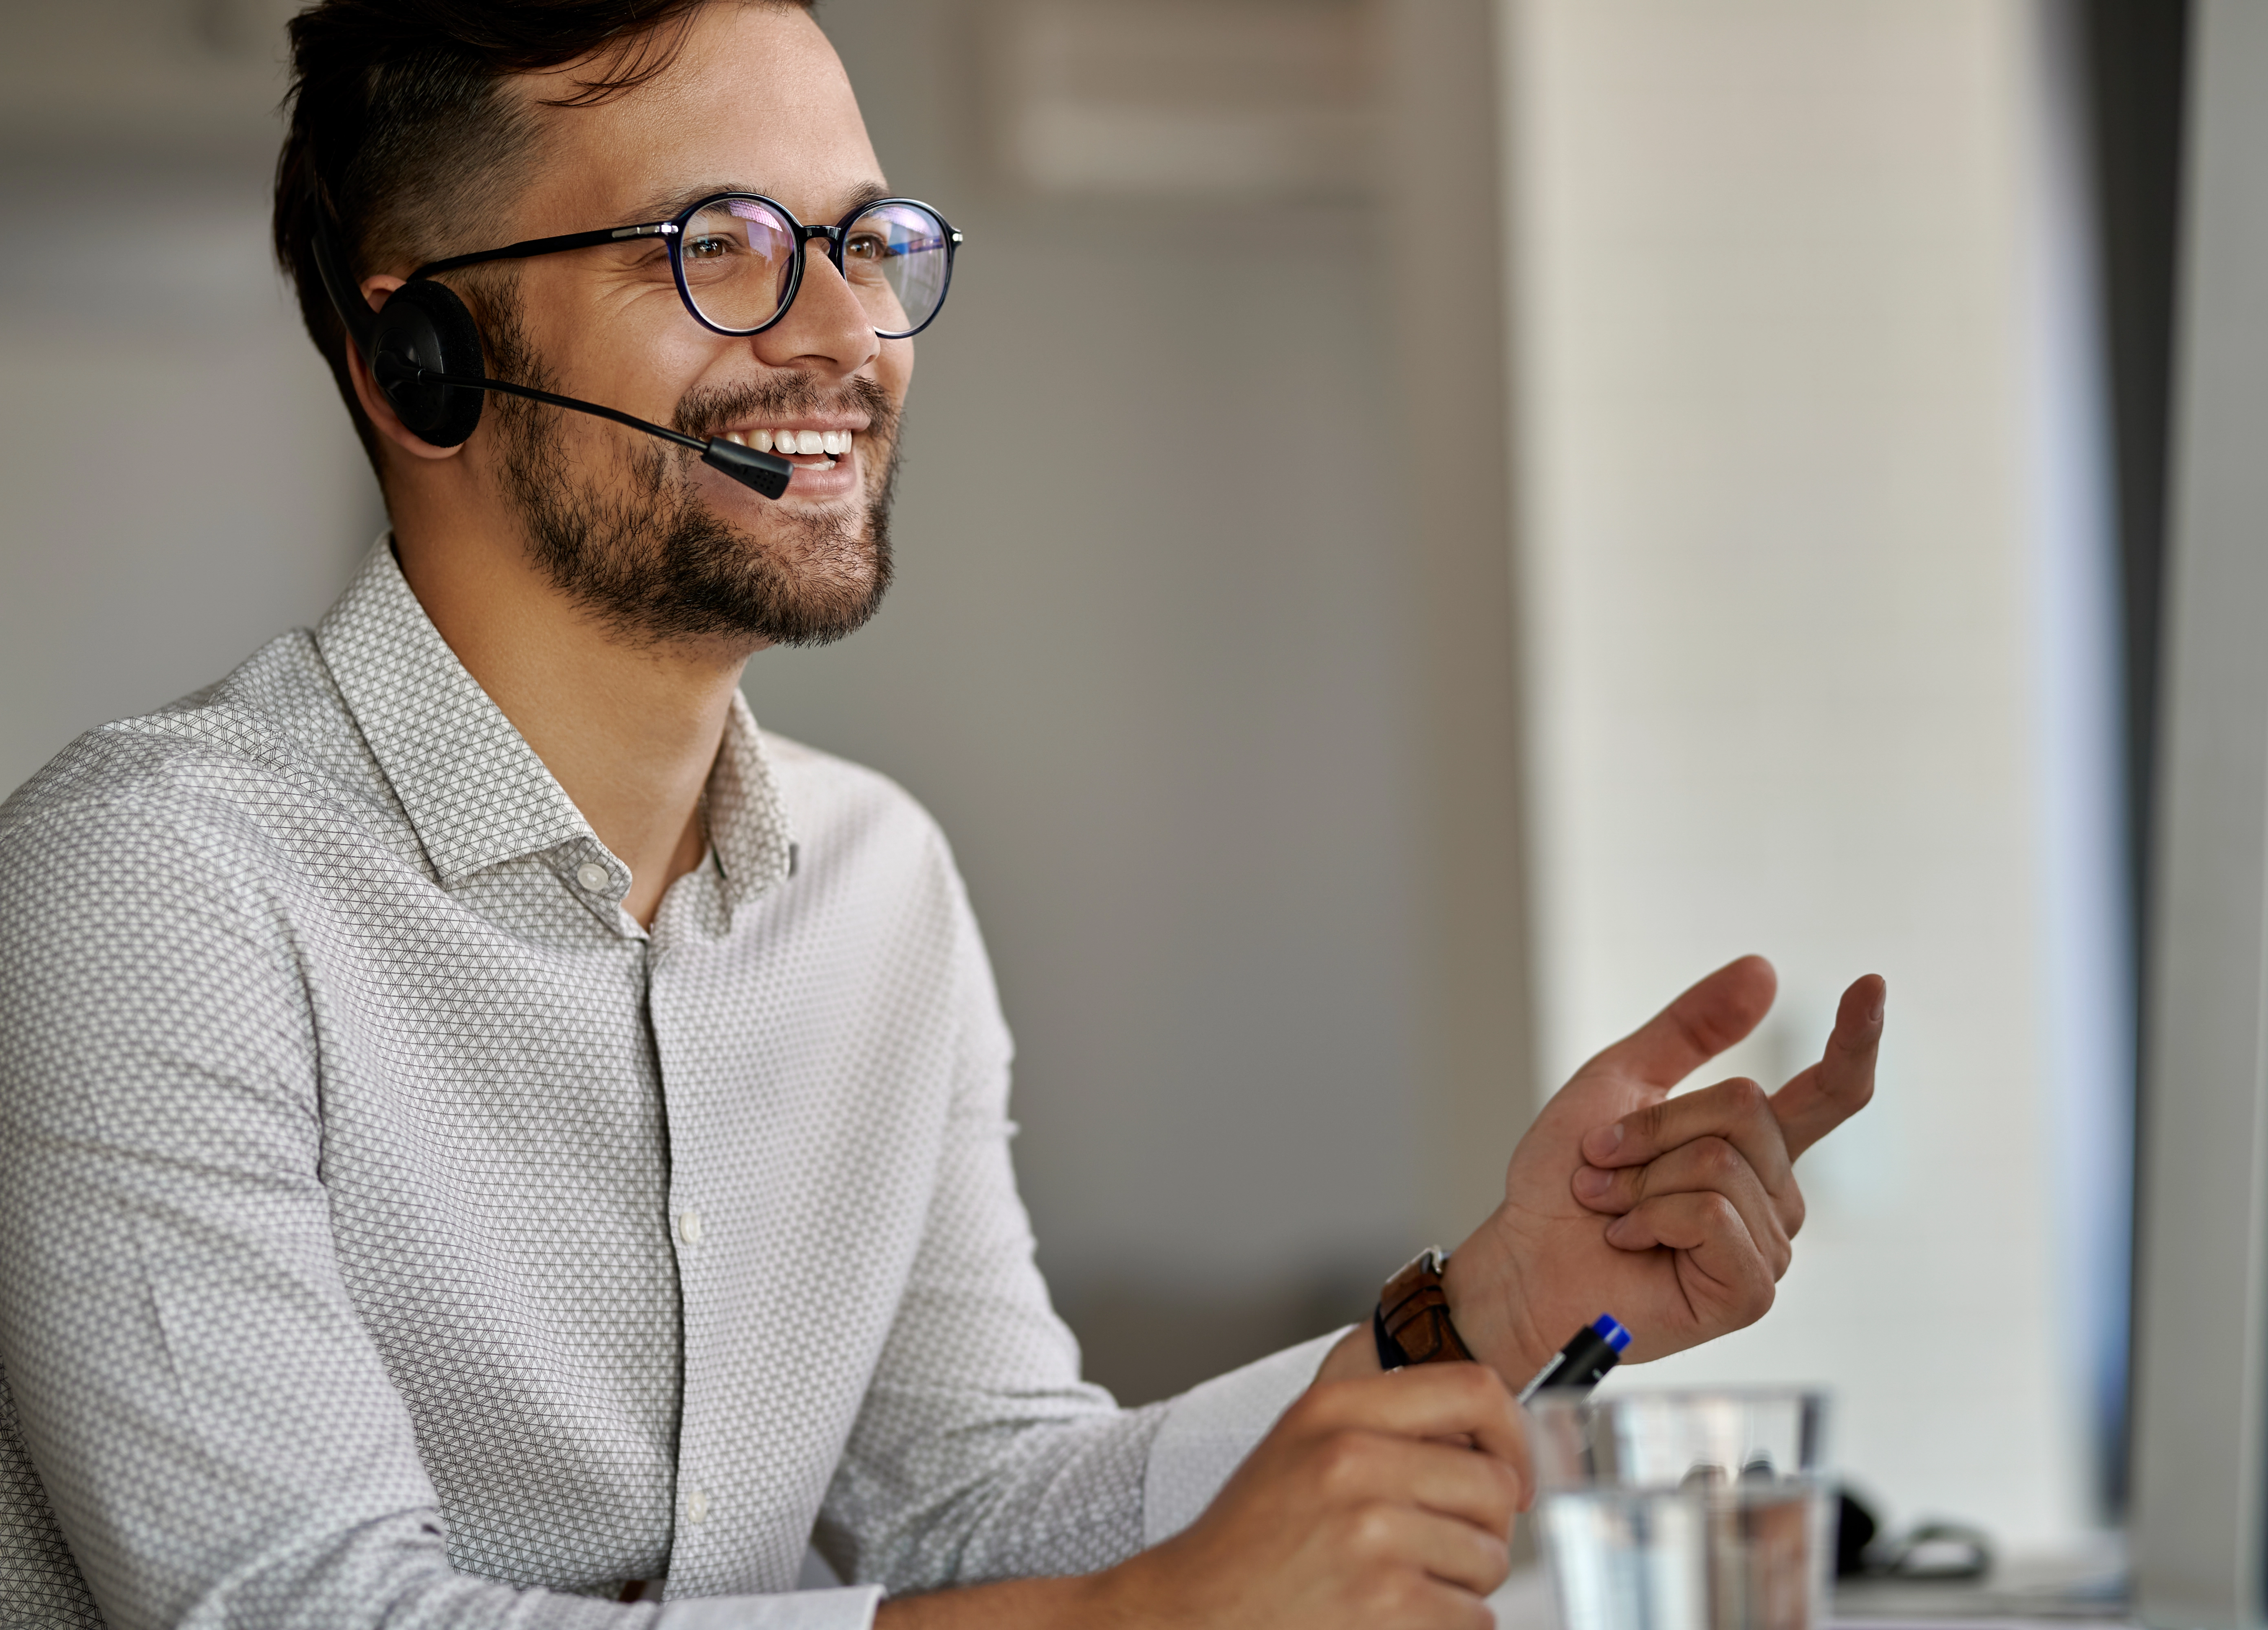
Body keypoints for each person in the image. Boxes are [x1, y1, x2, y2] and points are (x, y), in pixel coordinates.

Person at [0, 3, 1884, 1626]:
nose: (846, 334)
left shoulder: (879, 886)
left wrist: (1478, 1313)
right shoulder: (149, 889)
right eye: (721, 243)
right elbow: (306, 1612)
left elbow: (973, 1507)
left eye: (866, 238)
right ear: (423, 362)